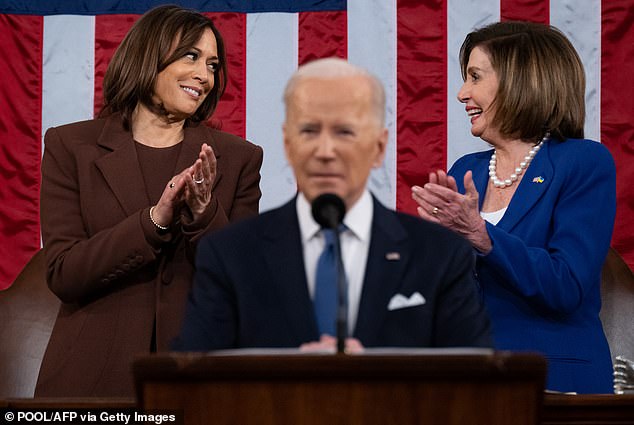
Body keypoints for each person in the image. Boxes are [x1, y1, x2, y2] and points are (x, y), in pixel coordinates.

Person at [173, 58, 492, 352]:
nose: (326, 150)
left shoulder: (438, 255)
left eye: (345, 132)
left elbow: (474, 385)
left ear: (379, 147)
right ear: (288, 144)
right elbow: (194, 382)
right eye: (309, 131)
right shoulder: (231, 254)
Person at [36, 5, 263, 397]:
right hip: (93, 381)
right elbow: (64, 273)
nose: (204, 75)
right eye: (190, 56)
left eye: (212, 65)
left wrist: (205, 212)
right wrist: (153, 222)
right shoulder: (70, 146)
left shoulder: (238, 158)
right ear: (148, 55)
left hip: (199, 383)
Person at [411, 21, 616, 394]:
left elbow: (565, 285)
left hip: (553, 383)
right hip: (468, 381)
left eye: (474, 77)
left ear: (519, 80)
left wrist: (480, 235)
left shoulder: (583, 163)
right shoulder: (466, 170)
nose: (461, 93)